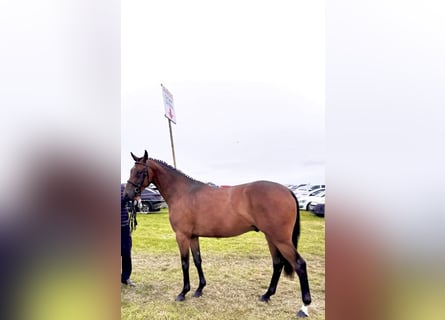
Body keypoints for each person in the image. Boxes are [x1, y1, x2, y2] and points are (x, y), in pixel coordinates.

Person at [121, 184, 136, 287]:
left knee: (126, 252)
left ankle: (126, 277)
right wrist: (125, 200)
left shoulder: (123, 188)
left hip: (124, 225)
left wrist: (135, 198)